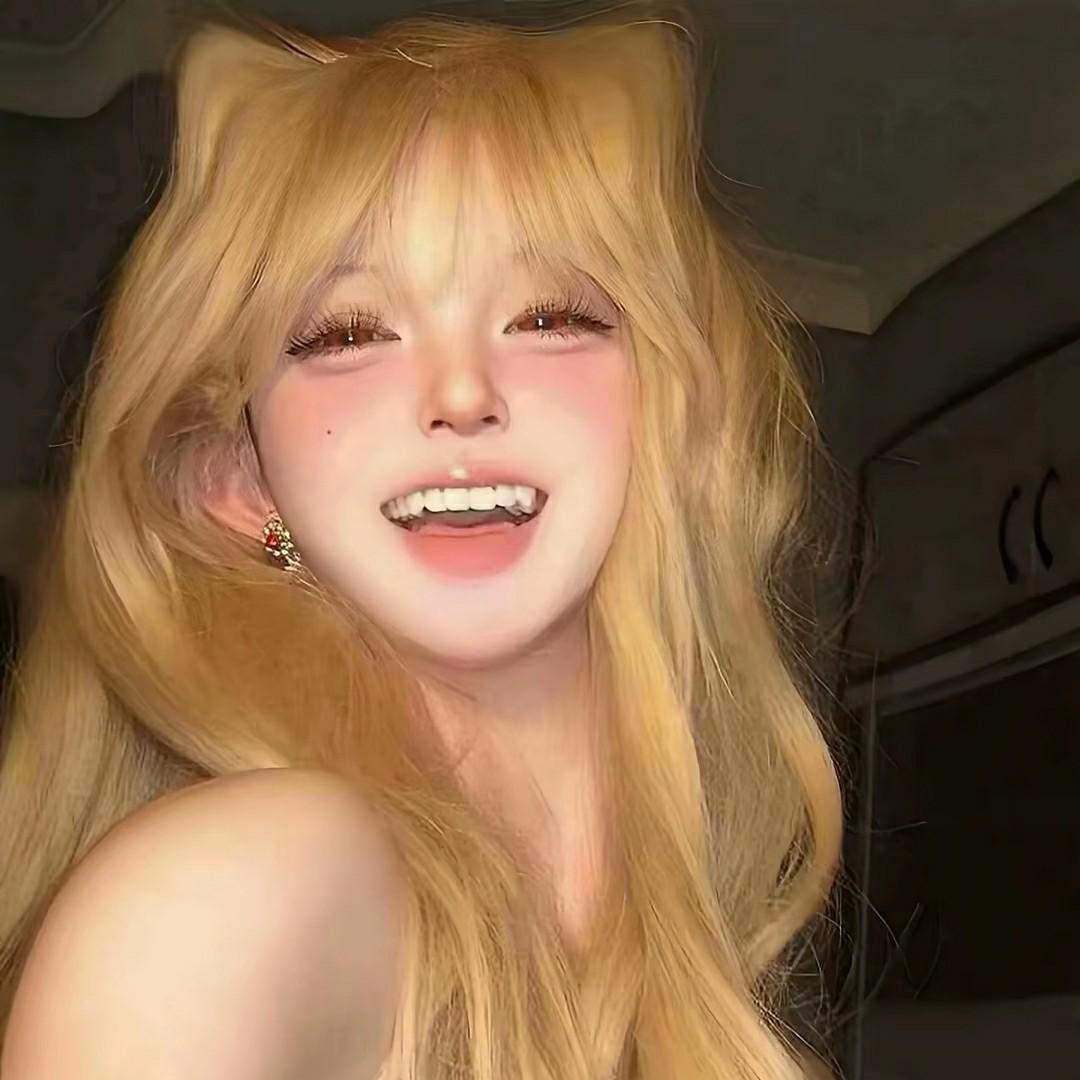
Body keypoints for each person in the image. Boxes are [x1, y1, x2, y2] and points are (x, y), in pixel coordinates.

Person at [0, 2, 850, 1077]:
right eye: (348, 333)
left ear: (674, 422)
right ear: (238, 479)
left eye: (549, 316)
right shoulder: (231, 894)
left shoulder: (663, 953)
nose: (460, 392)